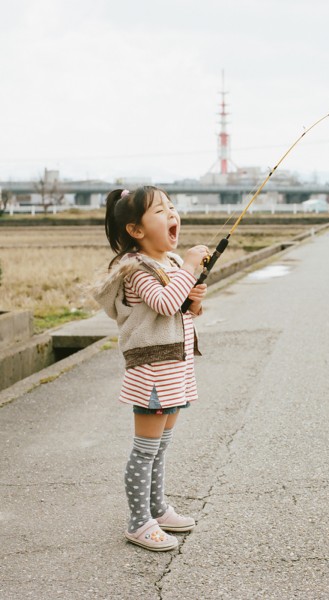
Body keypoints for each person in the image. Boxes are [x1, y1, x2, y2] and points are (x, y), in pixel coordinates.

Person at [94, 186, 209, 551]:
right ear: (136, 231)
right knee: (145, 449)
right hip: (153, 372)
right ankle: (138, 522)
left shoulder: (170, 264)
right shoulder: (136, 269)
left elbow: (179, 310)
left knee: (161, 446)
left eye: (172, 207)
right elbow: (162, 304)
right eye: (160, 211)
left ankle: (157, 509)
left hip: (176, 368)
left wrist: (194, 303)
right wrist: (190, 268)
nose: (172, 214)